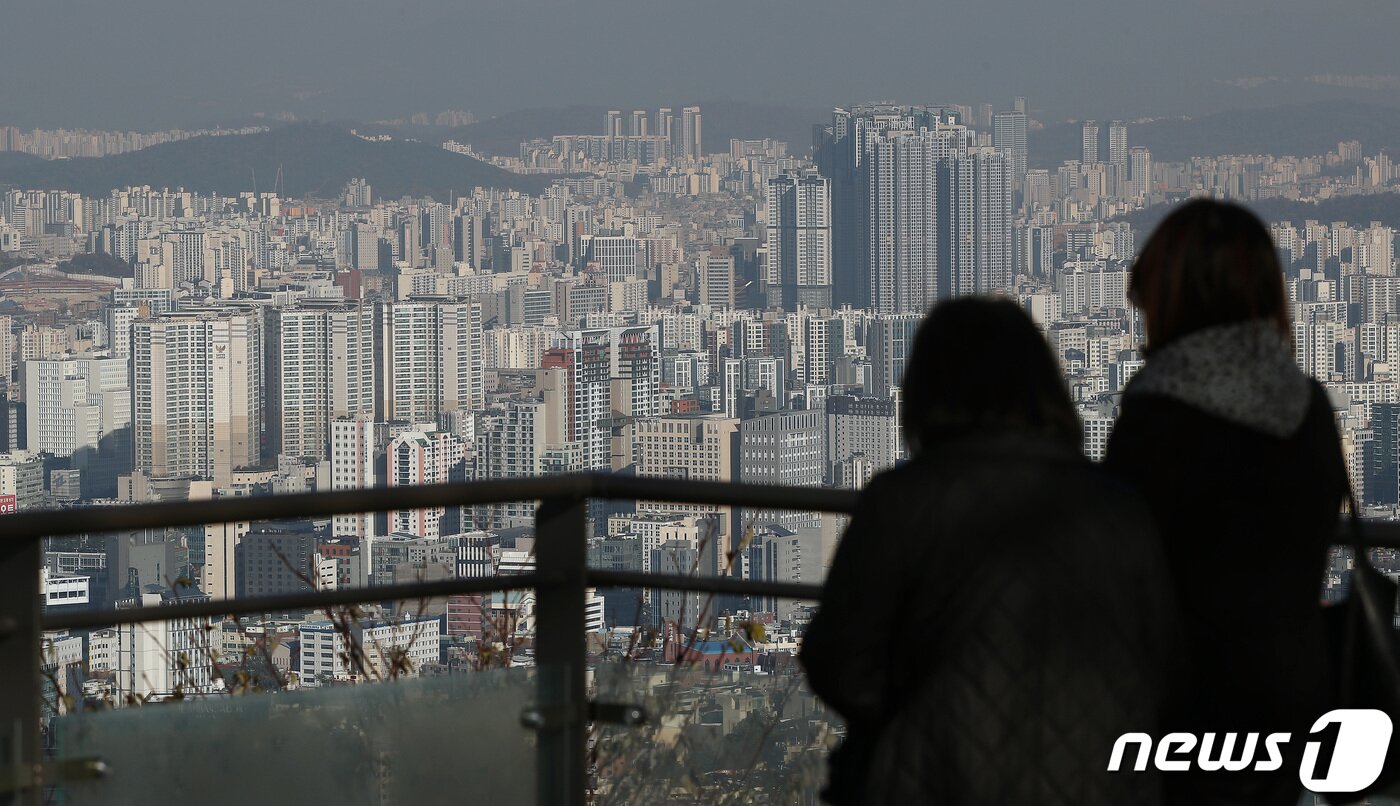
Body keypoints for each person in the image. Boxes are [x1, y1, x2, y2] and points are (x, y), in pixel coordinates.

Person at [801, 297, 1177, 805]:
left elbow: (837, 661)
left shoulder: (903, 501)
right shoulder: (1119, 508)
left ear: (925, 391)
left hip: (937, 780)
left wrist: (914, 715)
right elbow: (1164, 664)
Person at [1104, 199, 1349, 805]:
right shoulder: (1307, 406)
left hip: (1183, 708)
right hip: (1292, 702)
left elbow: (1118, 567)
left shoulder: (1159, 416)